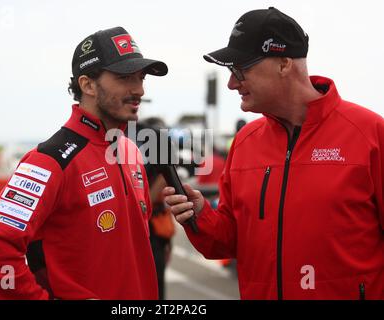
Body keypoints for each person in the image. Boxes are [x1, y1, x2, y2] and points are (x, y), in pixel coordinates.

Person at [163, 7, 384, 300]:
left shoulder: (369, 134)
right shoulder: (245, 142)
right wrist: (202, 215)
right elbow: (227, 243)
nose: (231, 83)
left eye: (240, 69)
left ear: (283, 64)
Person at [0, 26, 168, 299]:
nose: (139, 89)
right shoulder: (49, 160)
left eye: (141, 77)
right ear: (87, 85)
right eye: (125, 77)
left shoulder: (131, 152)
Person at [130, 118, 176, 300]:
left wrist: (142, 204)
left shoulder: (150, 137)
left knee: (153, 283)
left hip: (151, 224)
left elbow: (166, 176)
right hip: (132, 222)